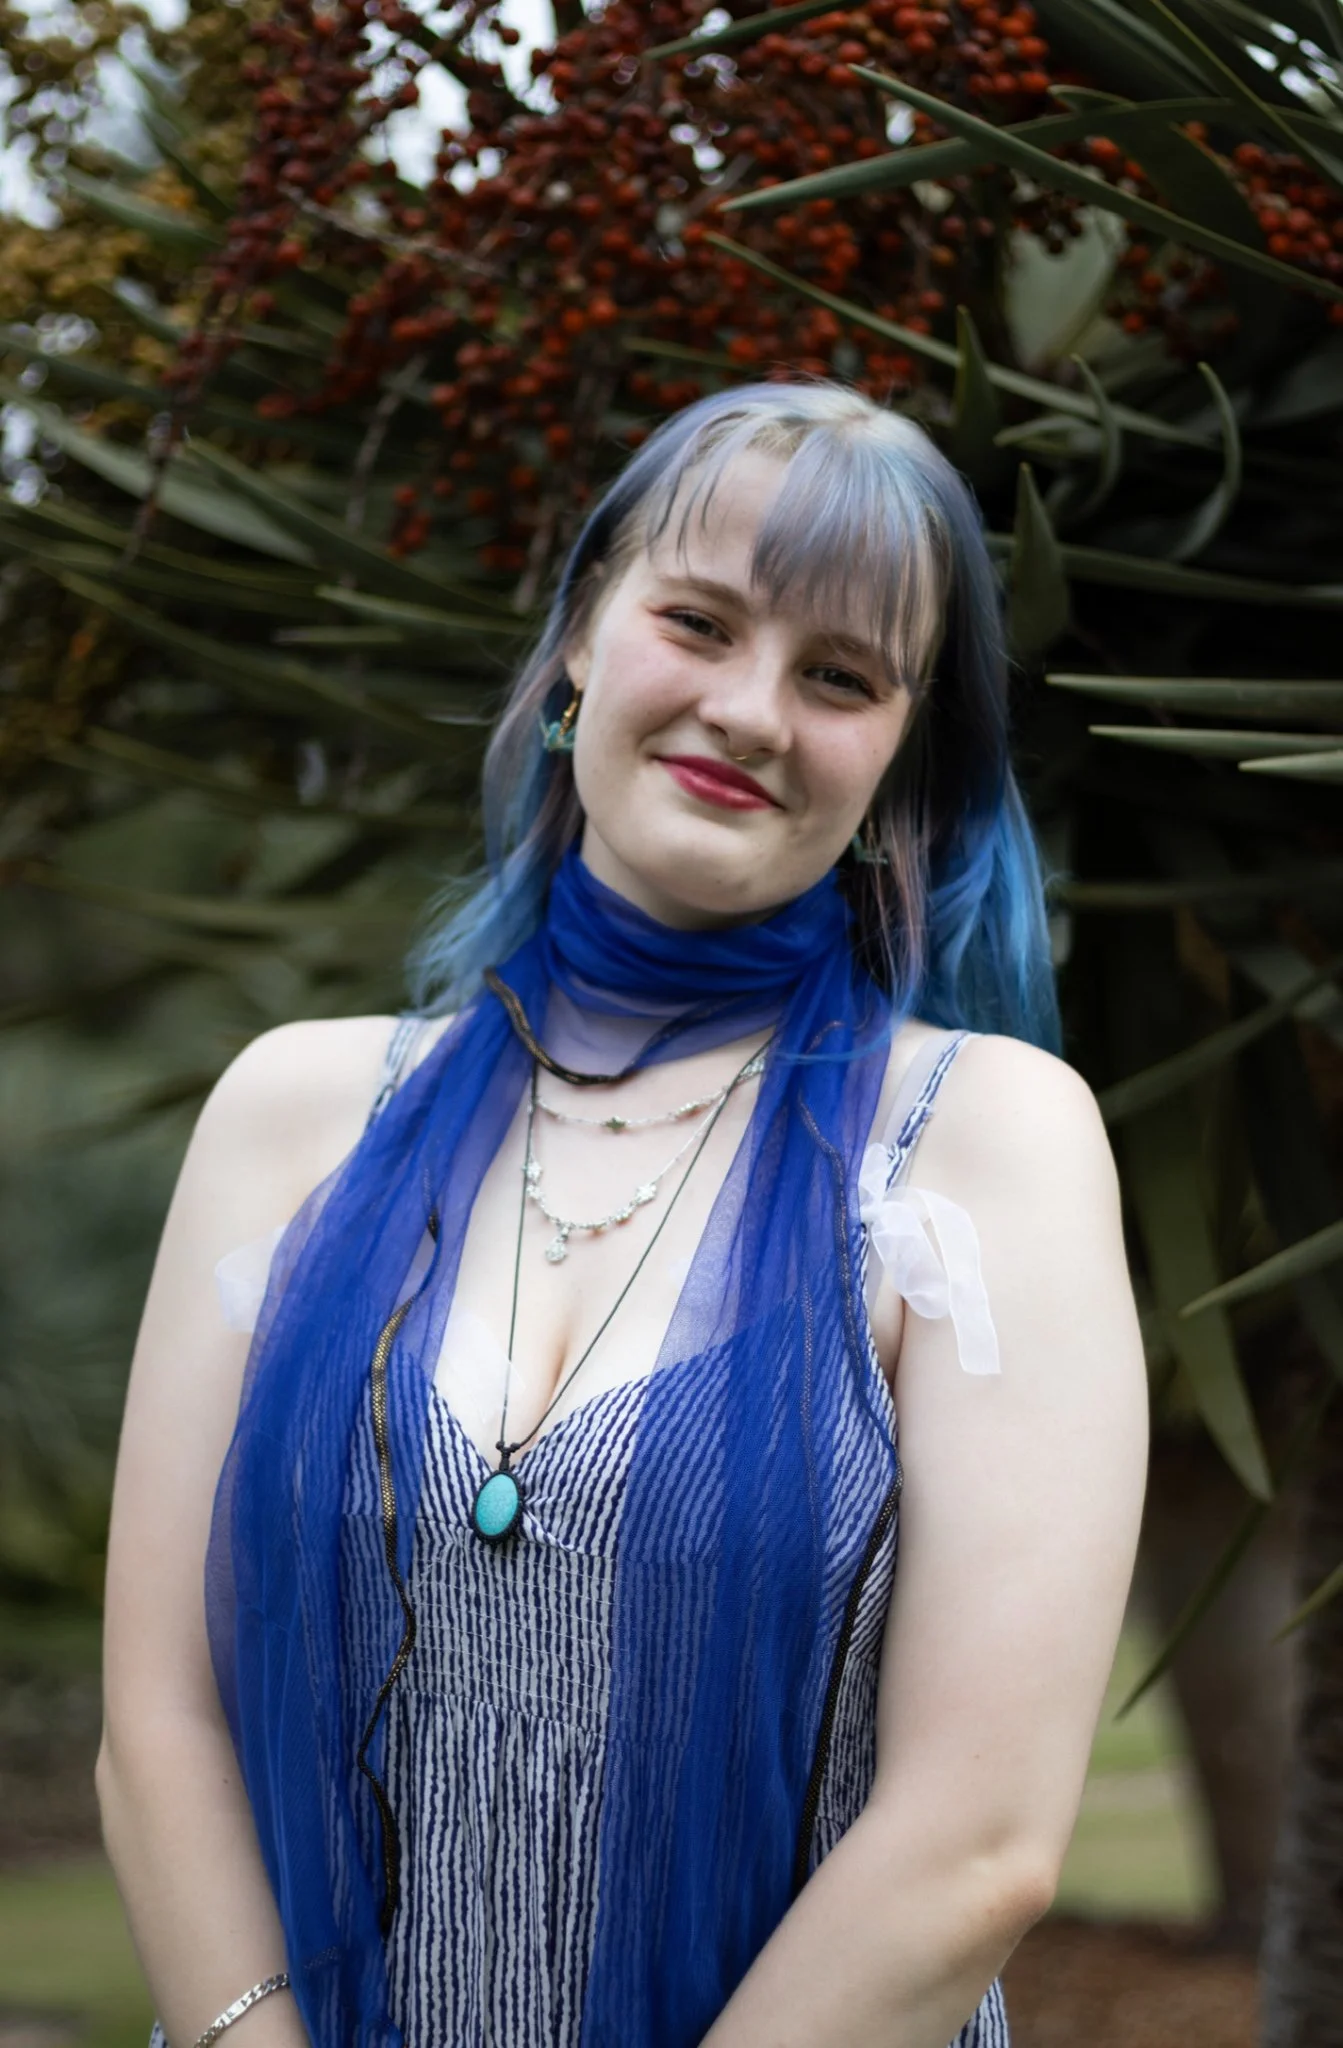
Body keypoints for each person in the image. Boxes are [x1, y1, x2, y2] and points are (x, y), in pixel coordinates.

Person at [97, 381, 1148, 2048]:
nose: (748, 710)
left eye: (839, 676)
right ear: (581, 634)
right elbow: (162, 1723)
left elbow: (978, 1846)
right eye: (697, 621)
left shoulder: (985, 1146)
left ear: (895, 761)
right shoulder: (292, 1118)